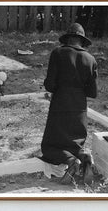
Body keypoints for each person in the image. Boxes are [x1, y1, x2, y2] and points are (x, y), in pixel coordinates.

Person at [40, 23, 98, 185]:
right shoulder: (91, 59)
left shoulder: (58, 53)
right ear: (81, 41)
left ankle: (72, 162)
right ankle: (84, 157)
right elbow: (92, 92)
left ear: (67, 39)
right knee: (75, 143)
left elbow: (50, 85)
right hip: (79, 108)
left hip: (60, 105)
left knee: (50, 146)